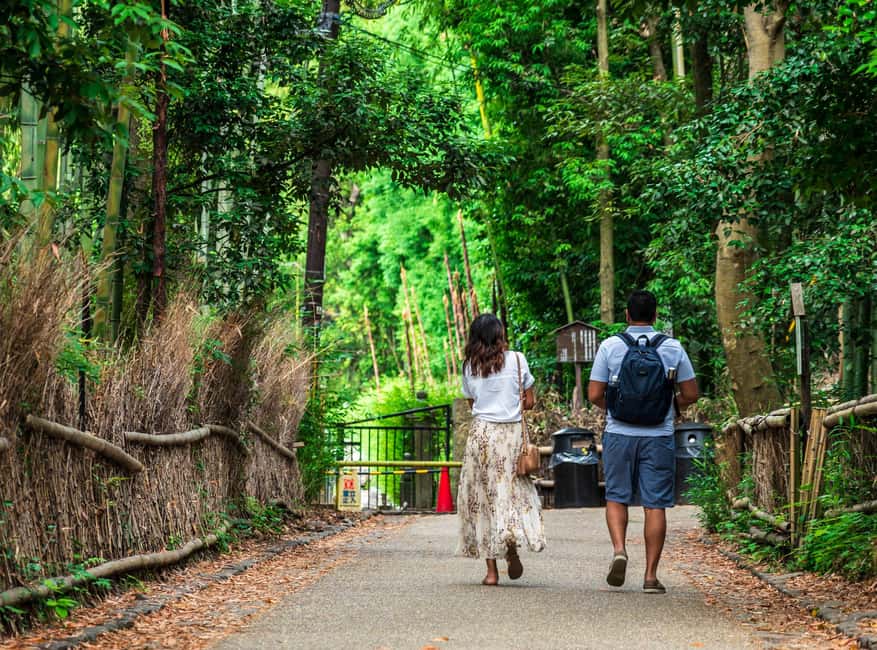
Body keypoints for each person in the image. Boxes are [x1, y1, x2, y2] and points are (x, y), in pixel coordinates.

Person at [587, 290, 699, 594]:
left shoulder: (610, 346)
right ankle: (650, 577)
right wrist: (668, 406)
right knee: (655, 504)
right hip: (658, 436)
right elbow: (691, 393)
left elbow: (595, 394)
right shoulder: (672, 348)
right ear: (655, 315)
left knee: (616, 495)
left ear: (626, 314)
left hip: (619, 434)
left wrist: (618, 408)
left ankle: (620, 550)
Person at [456, 313, 546, 585]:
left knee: (484, 496)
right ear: (499, 334)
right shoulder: (517, 360)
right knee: (512, 490)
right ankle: (511, 541)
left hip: (482, 435)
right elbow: (529, 402)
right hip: (511, 435)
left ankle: (491, 572)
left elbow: (473, 405)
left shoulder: (469, 366)